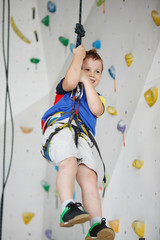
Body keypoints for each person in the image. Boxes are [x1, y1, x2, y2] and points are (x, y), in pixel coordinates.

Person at [41, 44, 115, 240]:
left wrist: (85, 79)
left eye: (97, 71)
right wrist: (78, 58)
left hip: (82, 136)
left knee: (89, 176)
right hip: (61, 127)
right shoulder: (67, 87)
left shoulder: (98, 98)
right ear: (79, 69)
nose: (92, 74)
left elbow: (96, 109)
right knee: (69, 161)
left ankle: (96, 224)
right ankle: (68, 207)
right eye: (87, 69)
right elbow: (71, 80)